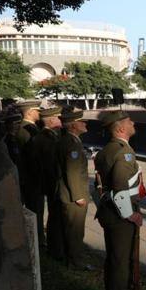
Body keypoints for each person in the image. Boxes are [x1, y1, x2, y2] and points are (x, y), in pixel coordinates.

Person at [93, 110, 143, 290]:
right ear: (121, 128)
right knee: (121, 263)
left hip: (110, 213)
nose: (133, 123)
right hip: (120, 216)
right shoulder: (123, 153)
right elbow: (120, 187)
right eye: (129, 121)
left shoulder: (108, 150)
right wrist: (130, 215)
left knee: (115, 260)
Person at [28, 106, 65, 259]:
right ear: (50, 120)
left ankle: (54, 247)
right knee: (55, 216)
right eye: (58, 118)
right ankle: (55, 249)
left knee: (55, 216)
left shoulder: (47, 136)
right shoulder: (46, 138)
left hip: (49, 182)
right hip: (51, 183)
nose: (60, 121)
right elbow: (51, 165)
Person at [56, 108, 91, 270]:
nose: (85, 124)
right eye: (81, 121)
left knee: (71, 229)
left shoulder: (71, 140)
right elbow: (72, 170)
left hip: (69, 192)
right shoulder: (71, 144)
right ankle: (76, 263)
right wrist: (78, 196)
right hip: (73, 195)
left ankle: (70, 259)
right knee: (75, 231)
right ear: (73, 126)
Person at [14, 100, 42, 236]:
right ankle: (36, 239)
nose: (39, 113)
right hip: (31, 179)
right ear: (30, 112)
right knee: (35, 211)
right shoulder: (26, 130)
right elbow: (32, 158)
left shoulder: (27, 128)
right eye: (37, 110)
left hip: (30, 178)